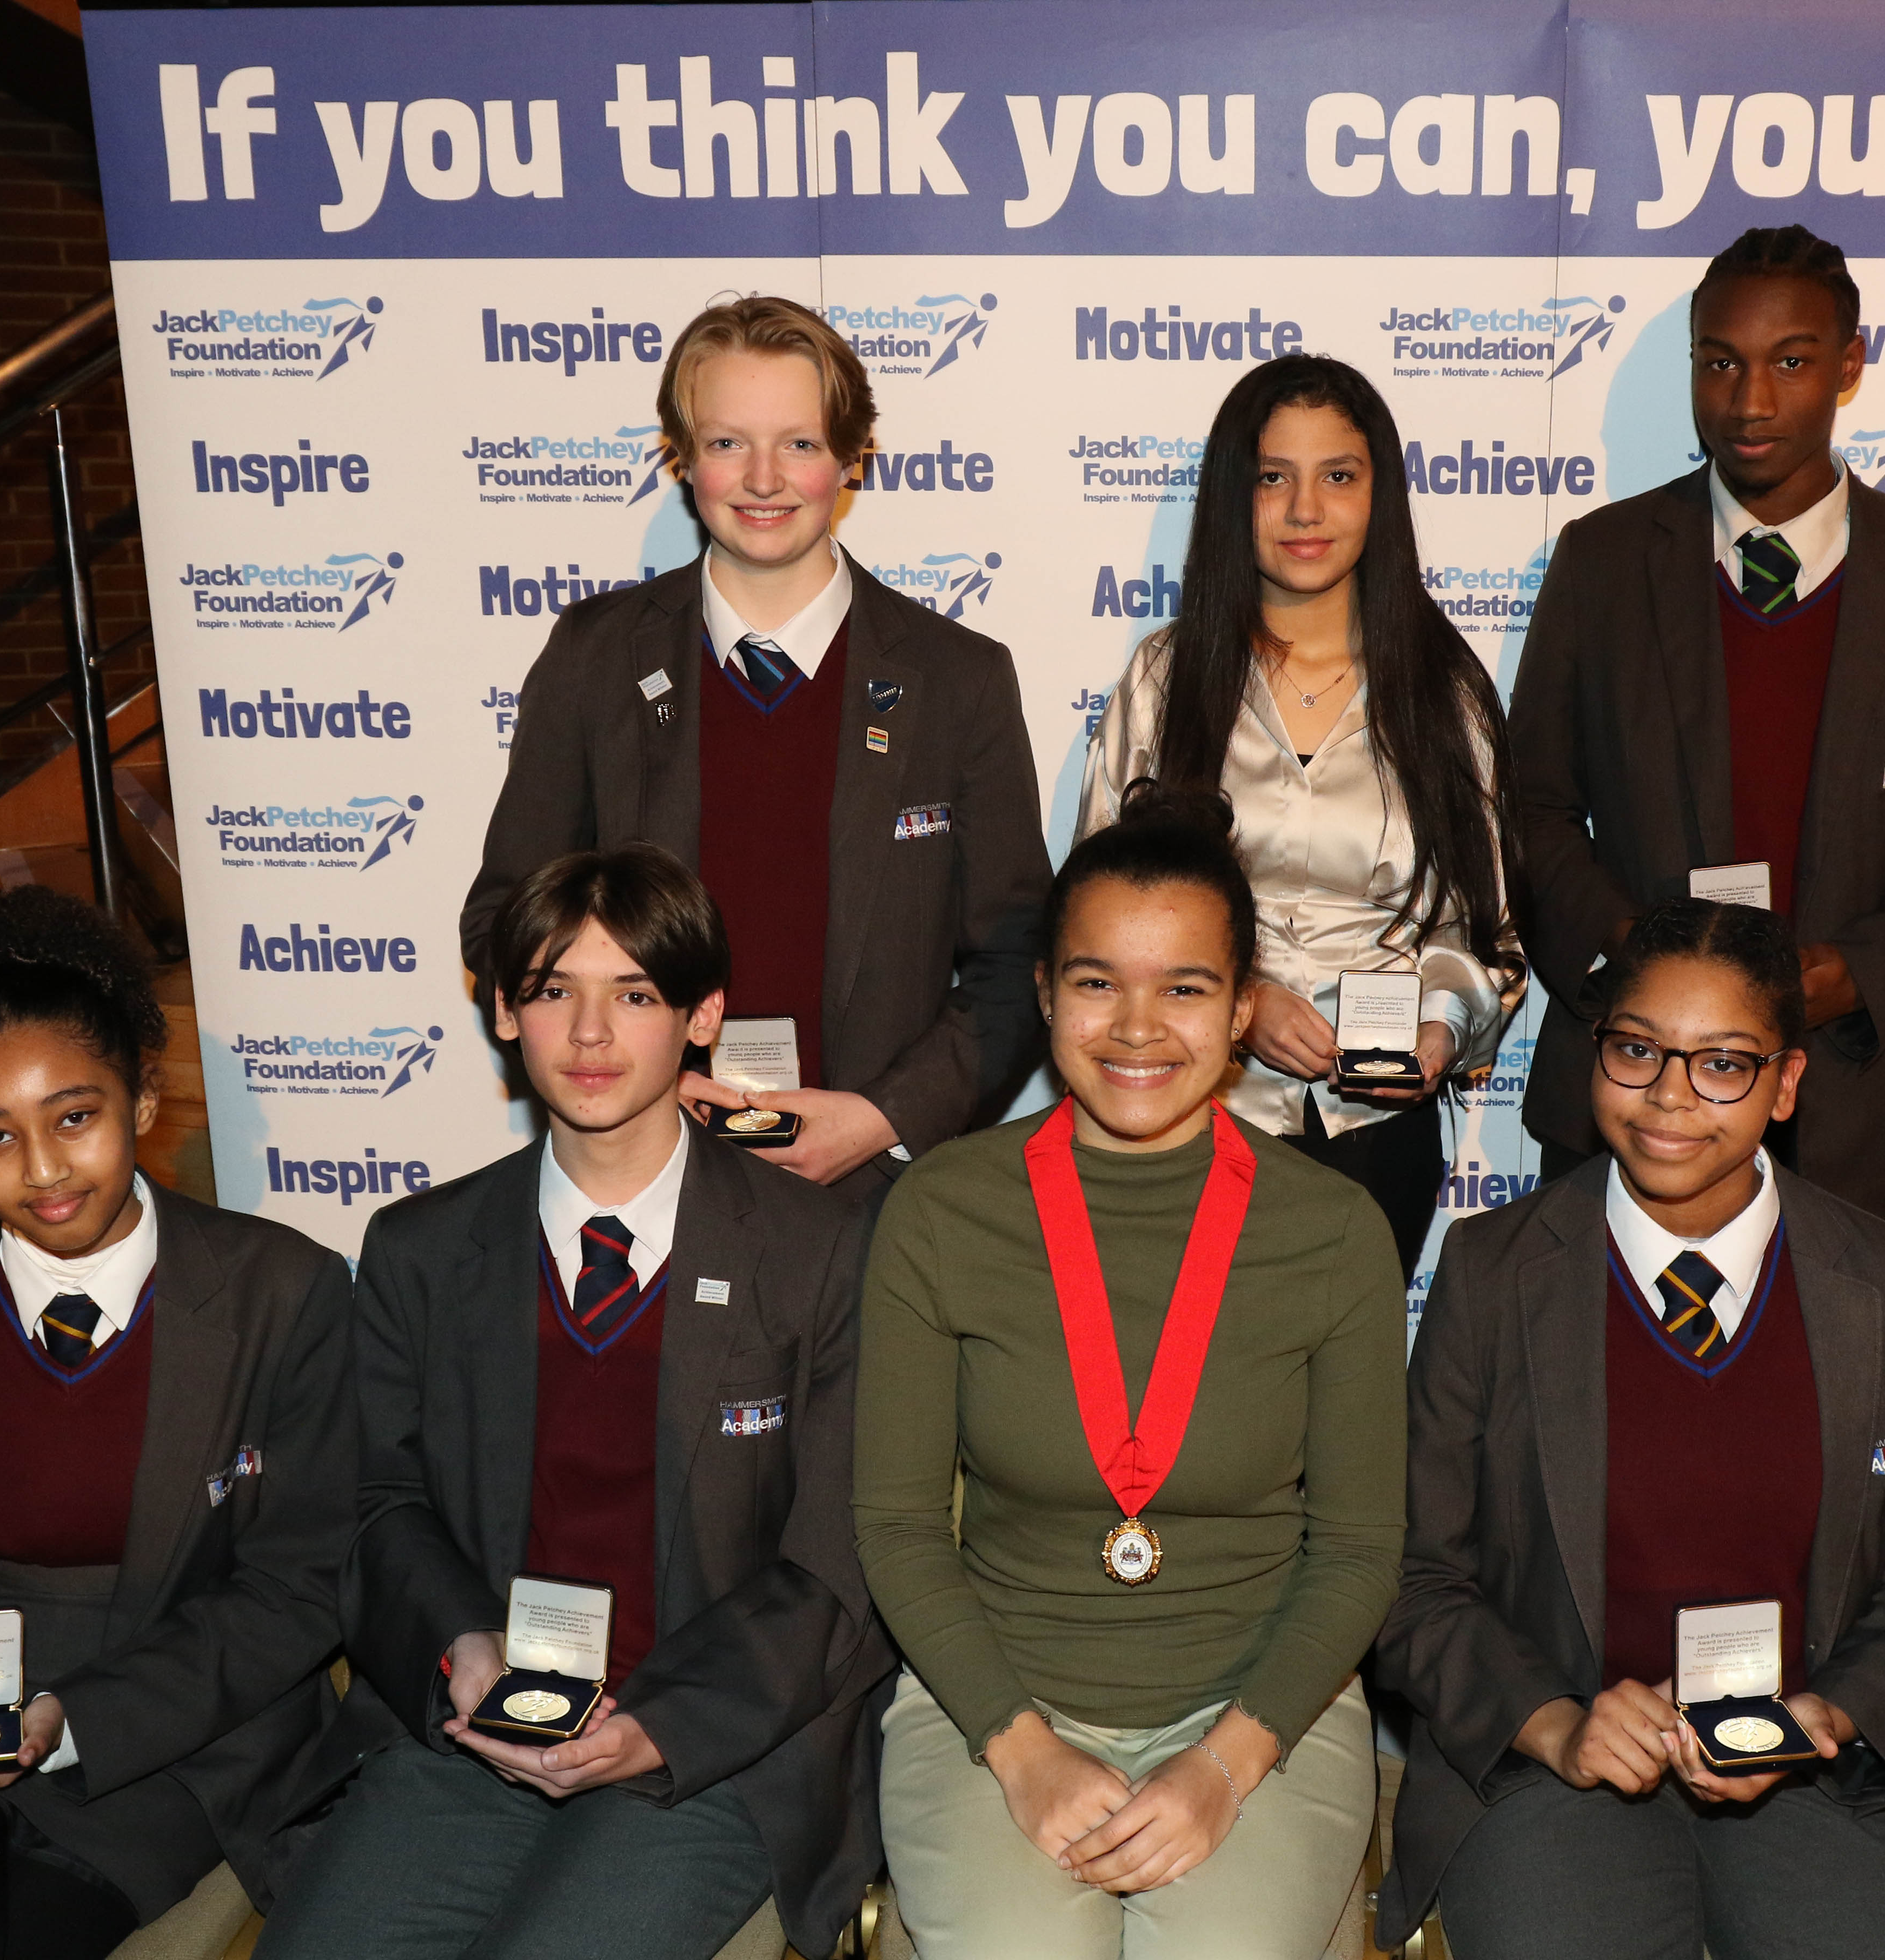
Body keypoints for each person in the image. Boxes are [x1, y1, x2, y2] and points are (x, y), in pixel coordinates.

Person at [260, 847, 889, 1960]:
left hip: (714, 1748)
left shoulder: (821, 1254)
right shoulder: (419, 1251)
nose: (591, 1035)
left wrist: (663, 1726)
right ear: (505, 1012)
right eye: (555, 990)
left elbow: (836, 1566)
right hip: (472, 1735)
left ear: (703, 1019)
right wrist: (463, 1646)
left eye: (635, 995)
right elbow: (380, 1503)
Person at [1375, 898, 1885, 1958]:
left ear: (1787, 1083)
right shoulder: (1492, 1271)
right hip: (1550, 1772)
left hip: (1812, 1778)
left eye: (1723, 1065)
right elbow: (1417, 1576)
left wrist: (1830, 1716)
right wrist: (1555, 1724)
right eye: (1637, 1051)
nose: (1669, 1097)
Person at [853, 785, 1405, 1958]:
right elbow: (899, 1524)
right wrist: (1023, 1749)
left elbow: (1358, 1548)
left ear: (1247, 1007)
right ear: (1047, 994)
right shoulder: (941, 1208)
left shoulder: (1334, 1228)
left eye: (1187, 988)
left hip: (1266, 1707)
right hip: (990, 1699)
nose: (1137, 1028)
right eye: (1098, 982)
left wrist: (1224, 1768)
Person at [0, 885, 366, 1960]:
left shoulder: (282, 1292)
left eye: (74, 1117)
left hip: (157, 1739)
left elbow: (299, 1588)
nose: (42, 1170)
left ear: (142, 1098)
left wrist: (71, 1719)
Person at [462, 293, 1053, 1194]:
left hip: (874, 1195)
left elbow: (1021, 959)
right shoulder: (594, 657)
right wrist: (631, 1084)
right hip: (649, 1172)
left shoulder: (955, 680)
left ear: (852, 460)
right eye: (729, 442)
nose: (764, 479)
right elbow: (505, 921)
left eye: (801, 444)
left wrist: (882, 1121)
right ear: (683, 459)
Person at [1509, 224, 1885, 1222]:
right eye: (1721, 363)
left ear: (1850, 366)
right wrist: (1636, 972)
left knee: (1818, 1380)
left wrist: (1846, 980)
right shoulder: (1602, 564)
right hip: (1628, 1086)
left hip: (1847, 1105)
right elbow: (1532, 813)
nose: (1750, 401)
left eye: (1791, 362)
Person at [1079, 354, 1521, 1277]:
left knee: (1344, 1405)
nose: (1305, 510)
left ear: (1380, 494)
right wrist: (1242, 1005)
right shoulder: (1166, 681)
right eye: (1273, 478)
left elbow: (1493, 938)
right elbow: (1097, 921)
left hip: (1379, 1133)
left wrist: (1440, 1027)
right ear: (1233, 498)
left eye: (1338, 477)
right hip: (1189, 1116)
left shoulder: (1447, 695)